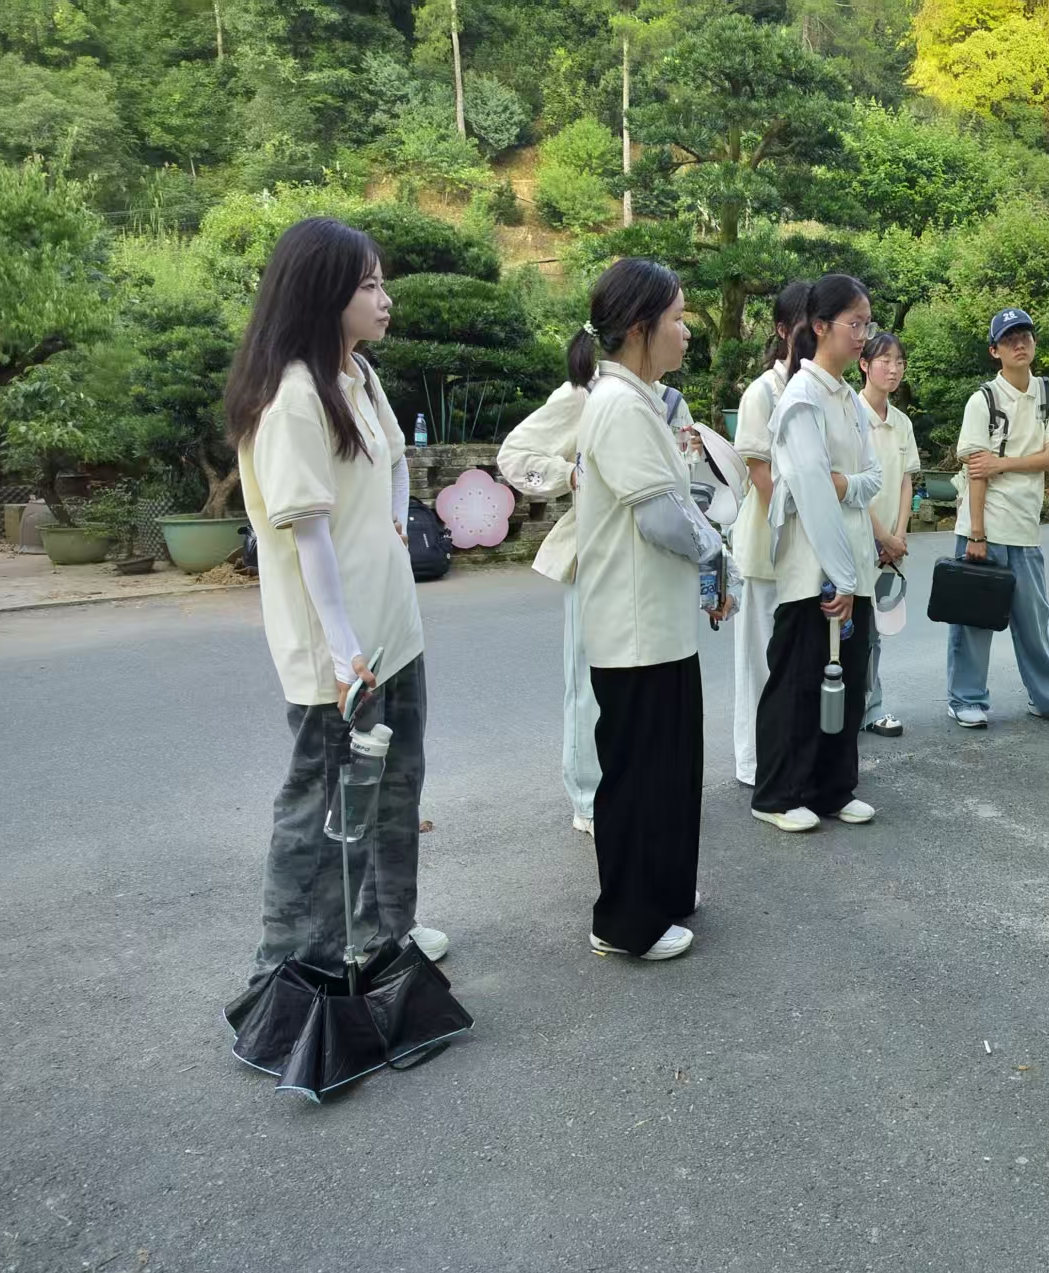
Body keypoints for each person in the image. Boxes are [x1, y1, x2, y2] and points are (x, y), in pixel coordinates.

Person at [226, 216, 447, 984]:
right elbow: (307, 537)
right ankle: (289, 977)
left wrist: (394, 518)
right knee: (321, 812)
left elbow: (394, 461)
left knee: (394, 794)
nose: (385, 299)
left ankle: (385, 937)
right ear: (324, 294)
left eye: (383, 283)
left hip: (393, 633)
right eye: (369, 285)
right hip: (341, 656)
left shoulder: (357, 374)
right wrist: (344, 649)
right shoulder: (293, 398)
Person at [572, 257, 731, 961]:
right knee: (639, 775)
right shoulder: (620, 405)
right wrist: (716, 551)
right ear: (640, 328)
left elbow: (675, 505)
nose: (686, 331)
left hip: (658, 624)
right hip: (634, 627)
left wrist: (710, 560)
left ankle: (664, 893)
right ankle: (624, 922)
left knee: (667, 768)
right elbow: (662, 518)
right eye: (677, 318)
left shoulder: (641, 401)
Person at [497, 373, 696, 838]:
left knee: (647, 685)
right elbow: (515, 454)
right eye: (676, 328)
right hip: (597, 555)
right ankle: (589, 797)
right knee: (590, 684)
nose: (686, 336)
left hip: (656, 564)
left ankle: (640, 791)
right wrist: (571, 475)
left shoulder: (670, 402)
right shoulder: (586, 393)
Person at [752, 274, 882, 833]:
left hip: (852, 562)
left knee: (847, 680)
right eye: (855, 323)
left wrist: (844, 484)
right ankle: (778, 794)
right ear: (821, 326)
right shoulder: (801, 398)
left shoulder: (849, 398)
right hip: (815, 566)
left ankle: (833, 787)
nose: (863, 335)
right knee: (799, 681)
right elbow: (810, 491)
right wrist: (840, 576)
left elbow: (872, 478)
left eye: (868, 324)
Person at [946, 308, 1049, 730]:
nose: (1019, 344)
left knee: (1034, 620)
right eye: (1009, 338)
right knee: (973, 619)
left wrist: (1001, 464)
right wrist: (976, 534)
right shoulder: (982, 400)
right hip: (982, 526)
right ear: (994, 351)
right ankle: (966, 699)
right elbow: (975, 471)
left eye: (1025, 336)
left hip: (1025, 526)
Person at [731, 281, 810, 787]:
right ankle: (755, 763)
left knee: (798, 660)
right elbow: (759, 473)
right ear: (783, 330)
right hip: (768, 543)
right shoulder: (762, 392)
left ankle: (793, 757)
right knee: (760, 660)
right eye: (806, 323)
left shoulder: (820, 388)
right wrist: (799, 522)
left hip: (807, 546)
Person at [858, 330, 920, 737]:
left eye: (899, 361)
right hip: (856, 538)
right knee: (848, 627)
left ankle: (870, 706)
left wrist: (898, 536)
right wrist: (882, 536)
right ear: (864, 364)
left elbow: (905, 482)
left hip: (889, 546)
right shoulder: (850, 414)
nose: (894, 369)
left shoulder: (902, 422)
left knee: (876, 628)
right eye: (885, 360)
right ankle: (843, 707)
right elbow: (849, 486)